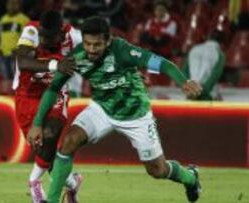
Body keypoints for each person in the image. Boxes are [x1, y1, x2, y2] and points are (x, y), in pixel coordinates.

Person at [28, 16, 203, 203]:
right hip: (102, 109)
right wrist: (37, 123)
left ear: (108, 41)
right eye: (87, 44)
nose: (91, 50)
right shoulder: (76, 57)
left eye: (97, 45)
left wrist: (182, 81)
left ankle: (191, 177)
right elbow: (53, 89)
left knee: (157, 170)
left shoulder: (123, 50)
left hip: (136, 114)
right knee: (69, 141)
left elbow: (161, 63)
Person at [14, 10, 83, 203]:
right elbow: (23, 61)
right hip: (27, 94)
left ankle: (34, 183)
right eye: (42, 35)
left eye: (48, 37)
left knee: (50, 134)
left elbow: (100, 52)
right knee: (44, 150)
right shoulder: (31, 31)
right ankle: (71, 182)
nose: (42, 40)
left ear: (61, 33)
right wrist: (55, 65)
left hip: (56, 91)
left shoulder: (75, 38)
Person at [183, 30, 225, 100]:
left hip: (191, 92)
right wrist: (202, 92)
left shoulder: (194, 49)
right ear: (222, 43)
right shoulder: (219, 55)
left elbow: (184, 72)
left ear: (207, 38)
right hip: (206, 95)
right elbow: (214, 77)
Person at [0, 0, 29, 81]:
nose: (12, 6)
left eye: (14, 3)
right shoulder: (3, 19)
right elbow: (2, 36)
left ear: (19, 5)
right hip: (4, 54)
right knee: (6, 79)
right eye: (10, 4)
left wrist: (19, 50)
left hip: (16, 55)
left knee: (17, 79)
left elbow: (27, 38)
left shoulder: (24, 19)